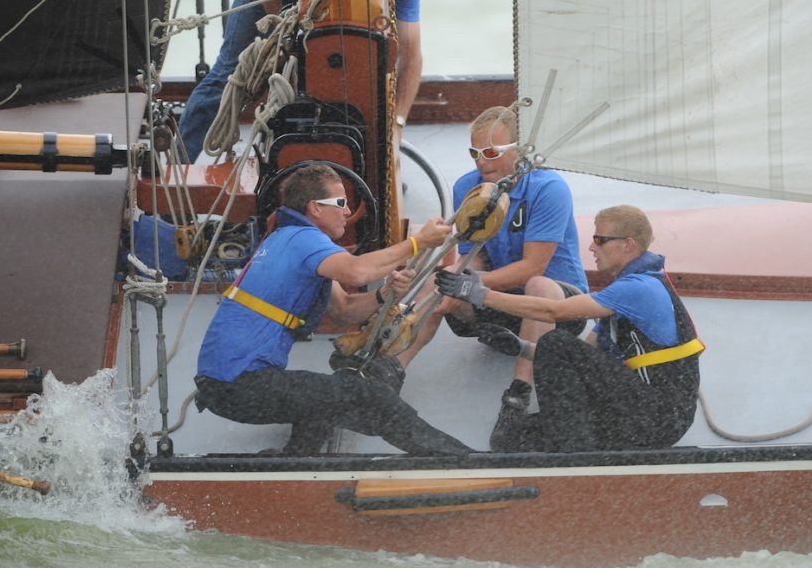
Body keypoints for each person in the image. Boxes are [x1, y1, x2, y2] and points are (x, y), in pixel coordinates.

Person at [193, 164, 471, 456]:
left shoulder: (287, 240)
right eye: (340, 203)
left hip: (225, 386)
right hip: (239, 382)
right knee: (366, 394)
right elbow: (357, 272)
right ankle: (459, 461)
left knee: (323, 399)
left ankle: (295, 465)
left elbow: (344, 311)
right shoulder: (303, 239)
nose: (348, 212)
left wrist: (385, 293)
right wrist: (418, 243)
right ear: (314, 208)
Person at [393, 105, 589, 446]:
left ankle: (518, 395)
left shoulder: (549, 189)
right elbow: (476, 256)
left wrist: (471, 284)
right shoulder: (469, 189)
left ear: (520, 150)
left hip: (556, 313)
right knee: (435, 279)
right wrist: (455, 279)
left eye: (489, 153)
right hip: (496, 307)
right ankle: (391, 371)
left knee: (538, 286)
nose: (479, 162)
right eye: (474, 152)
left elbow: (533, 268)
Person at [435, 205, 704, 452]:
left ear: (628, 245)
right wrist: (522, 347)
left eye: (600, 240)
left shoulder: (639, 288)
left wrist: (479, 294)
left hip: (661, 416)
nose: (591, 247)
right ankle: (574, 449)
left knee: (557, 342)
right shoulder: (623, 293)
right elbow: (585, 354)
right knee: (511, 437)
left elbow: (555, 311)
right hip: (635, 412)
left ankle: (574, 455)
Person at [178, 0, 443, 162]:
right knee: (230, 73)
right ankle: (178, 165)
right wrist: (280, 31)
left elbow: (411, 56)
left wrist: (397, 123)